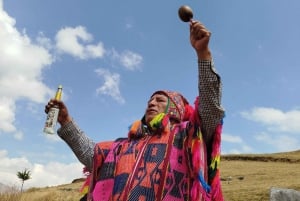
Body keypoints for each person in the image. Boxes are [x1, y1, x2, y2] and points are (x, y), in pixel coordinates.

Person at [45, 20, 225, 201]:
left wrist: (203, 53)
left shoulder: (190, 135)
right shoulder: (123, 146)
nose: (151, 103)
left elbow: (210, 107)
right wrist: (66, 120)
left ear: (175, 109)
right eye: (150, 100)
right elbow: (92, 156)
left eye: (160, 100)